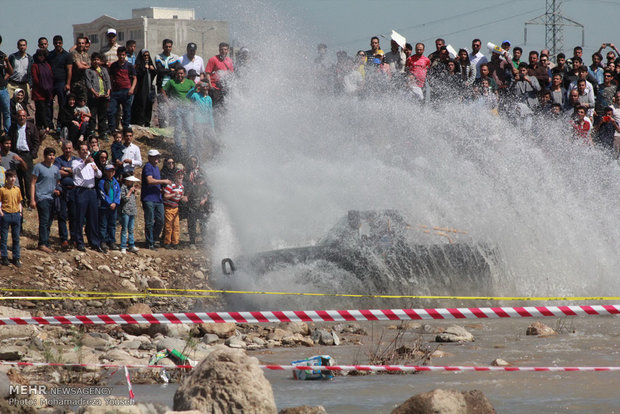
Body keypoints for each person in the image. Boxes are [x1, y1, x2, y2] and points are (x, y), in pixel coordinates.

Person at [72, 142, 103, 252]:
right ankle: (79, 242)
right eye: (83, 150)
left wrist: (95, 169)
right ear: (79, 151)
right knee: (80, 217)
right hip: (81, 191)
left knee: (93, 217)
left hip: (92, 191)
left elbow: (99, 175)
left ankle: (94, 242)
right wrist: (85, 162)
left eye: (86, 150)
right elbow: (75, 171)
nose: (85, 152)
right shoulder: (76, 162)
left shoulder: (91, 162)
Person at [30, 147, 60, 253]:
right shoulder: (38, 167)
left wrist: (57, 190)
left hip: (52, 197)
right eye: (49, 155)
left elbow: (58, 182)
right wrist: (32, 199)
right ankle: (42, 243)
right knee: (44, 220)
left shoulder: (55, 169)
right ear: (45, 156)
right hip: (41, 197)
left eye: (53, 155)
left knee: (49, 221)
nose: (52, 157)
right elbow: (33, 183)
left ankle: (46, 242)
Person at [8, 109, 39, 205]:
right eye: (20, 116)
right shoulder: (13, 128)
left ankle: (30, 200)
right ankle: (21, 199)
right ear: (17, 117)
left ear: (26, 117)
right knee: (17, 177)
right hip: (15, 154)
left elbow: (36, 141)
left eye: (24, 116)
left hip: (27, 155)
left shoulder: (31, 127)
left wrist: (32, 154)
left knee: (28, 178)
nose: (22, 117)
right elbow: (9, 140)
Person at [141, 149, 170, 250]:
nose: (157, 158)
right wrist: (163, 181)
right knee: (149, 221)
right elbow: (149, 180)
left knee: (160, 220)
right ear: (149, 158)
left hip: (158, 198)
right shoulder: (148, 166)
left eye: (158, 156)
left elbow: (156, 182)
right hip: (148, 198)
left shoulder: (157, 168)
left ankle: (153, 239)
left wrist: (161, 189)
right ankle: (150, 242)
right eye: (155, 156)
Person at [53, 140, 78, 250]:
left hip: (74, 191)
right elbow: (57, 172)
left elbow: (77, 172)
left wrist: (66, 169)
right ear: (63, 149)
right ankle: (64, 239)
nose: (68, 150)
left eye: (69, 148)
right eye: (66, 148)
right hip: (62, 190)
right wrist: (71, 171)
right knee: (62, 215)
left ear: (72, 149)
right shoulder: (58, 160)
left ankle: (74, 238)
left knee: (74, 215)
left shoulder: (76, 160)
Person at [162, 67, 194, 149]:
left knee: (189, 129)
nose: (180, 75)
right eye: (178, 73)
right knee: (178, 129)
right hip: (177, 109)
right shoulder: (172, 82)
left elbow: (196, 90)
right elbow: (163, 90)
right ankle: (178, 147)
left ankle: (190, 148)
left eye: (181, 73)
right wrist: (169, 103)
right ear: (176, 74)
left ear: (185, 74)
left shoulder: (190, 82)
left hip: (188, 109)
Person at [108, 47, 136, 131]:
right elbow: (110, 77)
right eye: (120, 55)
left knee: (127, 111)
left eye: (123, 55)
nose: (121, 57)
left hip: (126, 91)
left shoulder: (129, 66)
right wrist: (111, 89)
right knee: (111, 111)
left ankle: (126, 128)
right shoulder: (113, 66)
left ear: (125, 55)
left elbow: (135, 78)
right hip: (115, 91)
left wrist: (132, 89)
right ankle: (112, 129)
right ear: (117, 55)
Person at [47, 35, 71, 129]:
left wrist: (68, 83)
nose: (58, 44)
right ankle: (50, 124)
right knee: (49, 103)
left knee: (62, 104)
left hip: (62, 82)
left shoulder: (67, 55)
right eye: (56, 43)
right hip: (51, 83)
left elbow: (69, 70)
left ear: (62, 43)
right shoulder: (50, 55)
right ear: (53, 43)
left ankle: (61, 124)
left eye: (59, 43)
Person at [155, 39, 180, 128]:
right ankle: (162, 128)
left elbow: (177, 71)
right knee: (162, 107)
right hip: (161, 86)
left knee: (172, 106)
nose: (168, 48)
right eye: (166, 46)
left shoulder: (176, 57)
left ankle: (172, 127)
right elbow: (159, 71)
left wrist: (167, 70)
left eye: (169, 47)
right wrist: (170, 70)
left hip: (172, 86)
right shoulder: (158, 57)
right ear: (163, 47)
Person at [85, 53, 111, 139]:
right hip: (93, 96)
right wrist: (94, 92)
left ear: (100, 61)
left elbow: (108, 81)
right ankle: (91, 132)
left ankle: (102, 132)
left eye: (97, 60)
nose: (96, 61)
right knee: (92, 114)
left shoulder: (103, 70)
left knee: (102, 115)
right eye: (94, 60)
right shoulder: (88, 71)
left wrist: (108, 91)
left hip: (103, 95)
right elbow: (88, 83)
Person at [0, 170, 22, 267]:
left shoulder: (17, 189)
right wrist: (1, 213)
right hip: (6, 214)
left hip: (16, 215)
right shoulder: (2, 190)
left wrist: (20, 212)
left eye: (14, 177)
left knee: (16, 238)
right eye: (11, 177)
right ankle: (4, 257)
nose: (13, 179)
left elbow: (19, 202)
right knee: (4, 238)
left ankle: (16, 257)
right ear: (7, 178)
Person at [205, 42, 234, 112]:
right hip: (214, 88)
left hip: (224, 88)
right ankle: (214, 122)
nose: (223, 51)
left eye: (225, 49)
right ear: (219, 50)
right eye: (221, 49)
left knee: (224, 108)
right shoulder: (213, 59)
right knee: (215, 108)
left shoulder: (229, 61)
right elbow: (207, 73)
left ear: (228, 50)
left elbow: (231, 74)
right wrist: (210, 85)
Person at [187, 82, 215, 153]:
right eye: (203, 86)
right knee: (200, 143)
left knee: (214, 140)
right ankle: (198, 159)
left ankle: (215, 157)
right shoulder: (195, 95)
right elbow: (188, 96)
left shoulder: (209, 98)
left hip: (207, 123)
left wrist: (212, 126)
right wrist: (195, 87)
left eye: (206, 86)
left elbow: (210, 113)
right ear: (200, 87)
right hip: (198, 123)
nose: (205, 88)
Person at [131, 49, 156, 127]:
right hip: (141, 89)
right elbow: (137, 74)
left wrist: (153, 70)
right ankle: (140, 121)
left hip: (149, 88)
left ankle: (147, 121)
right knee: (141, 104)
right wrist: (144, 68)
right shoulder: (139, 64)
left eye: (147, 55)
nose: (146, 57)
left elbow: (155, 74)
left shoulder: (150, 64)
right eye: (144, 55)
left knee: (149, 104)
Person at [162, 167, 187, 249]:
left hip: (176, 208)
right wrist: (173, 194)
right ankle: (167, 242)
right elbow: (165, 196)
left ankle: (175, 243)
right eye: (179, 175)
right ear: (175, 176)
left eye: (182, 175)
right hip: (168, 208)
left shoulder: (181, 187)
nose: (181, 177)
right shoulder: (170, 185)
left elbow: (180, 197)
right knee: (169, 226)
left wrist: (183, 198)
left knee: (176, 226)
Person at [98, 164, 120, 251]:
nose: (110, 173)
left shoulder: (115, 182)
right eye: (108, 171)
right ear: (105, 172)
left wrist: (115, 203)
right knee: (103, 224)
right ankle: (103, 241)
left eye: (112, 171)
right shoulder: (102, 182)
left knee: (112, 224)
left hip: (114, 207)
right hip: (105, 207)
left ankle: (112, 241)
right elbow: (102, 194)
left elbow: (118, 194)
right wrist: (109, 203)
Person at [31, 49, 53, 134]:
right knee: (40, 109)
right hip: (38, 92)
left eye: (43, 56)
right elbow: (35, 79)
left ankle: (43, 125)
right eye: (40, 56)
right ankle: (43, 125)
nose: (41, 57)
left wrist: (48, 88)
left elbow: (50, 77)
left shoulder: (47, 65)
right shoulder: (35, 66)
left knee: (46, 108)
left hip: (47, 92)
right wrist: (43, 86)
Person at [119, 174, 140, 254]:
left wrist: (135, 193)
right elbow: (124, 199)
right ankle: (123, 246)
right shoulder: (123, 187)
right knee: (124, 229)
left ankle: (131, 245)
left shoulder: (131, 188)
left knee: (131, 229)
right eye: (131, 181)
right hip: (126, 210)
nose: (132, 182)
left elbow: (133, 199)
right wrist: (130, 191)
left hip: (132, 210)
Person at [67, 37, 90, 101]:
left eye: (82, 43)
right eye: (79, 43)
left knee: (84, 102)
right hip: (76, 83)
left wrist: (84, 64)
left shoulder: (86, 55)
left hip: (85, 82)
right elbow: (79, 66)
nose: (81, 45)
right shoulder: (74, 53)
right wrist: (85, 65)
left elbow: (90, 66)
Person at [0, 35, 13, 134]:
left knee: (6, 112)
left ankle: (8, 133)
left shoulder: (2, 56)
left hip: (2, 89)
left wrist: (7, 61)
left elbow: (10, 72)